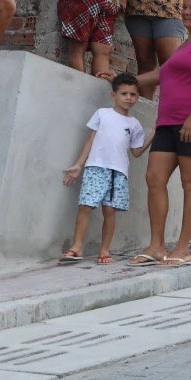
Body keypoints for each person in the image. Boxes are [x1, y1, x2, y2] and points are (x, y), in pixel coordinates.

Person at [129, 0, 191, 266]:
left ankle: (182, 249)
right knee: (154, 178)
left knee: (190, 183)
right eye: (184, 7)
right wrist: (127, 80)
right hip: (168, 122)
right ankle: (156, 246)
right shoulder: (185, 44)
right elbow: (162, 74)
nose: (186, 12)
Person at [59, 73, 150, 265]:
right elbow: (91, 140)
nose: (129, 98)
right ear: (113, 95)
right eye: (124, 93)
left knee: (109, 211)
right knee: (85, 206)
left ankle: (104, 249)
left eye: (133, 94)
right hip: (96, 167)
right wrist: (78, 165)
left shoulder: (134, 124)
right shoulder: (102, 114)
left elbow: (136, 152)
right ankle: (76, 246)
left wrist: (154, 133)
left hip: (118, 172)